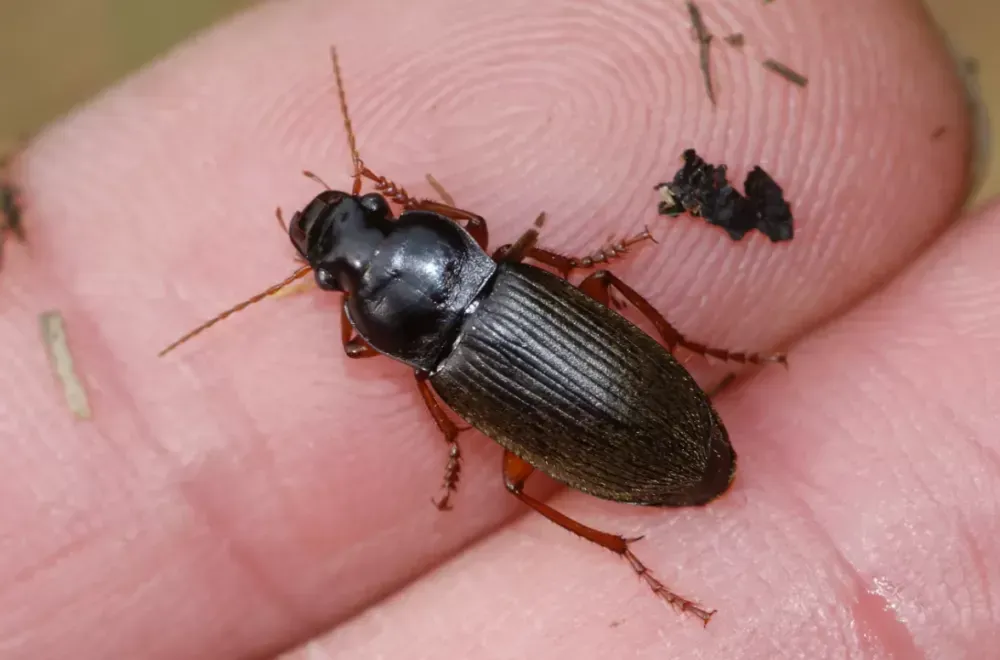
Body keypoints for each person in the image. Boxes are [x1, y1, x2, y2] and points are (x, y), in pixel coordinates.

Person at [1, 1, 993, 658]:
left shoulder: (400, 342)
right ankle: (674, 418)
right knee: (588, 292)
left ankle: (656, 469)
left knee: (510, 466)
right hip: (561, 345)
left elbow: (413, 330)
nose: (363, 232)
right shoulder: (471, 251)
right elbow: (489, 246)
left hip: (537, 369)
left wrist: (449, 436)